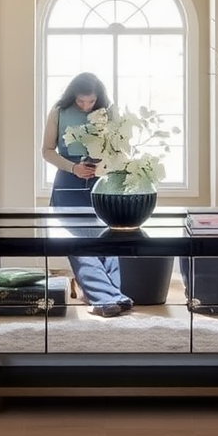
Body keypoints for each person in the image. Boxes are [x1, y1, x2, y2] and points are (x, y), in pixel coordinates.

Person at [42, 72, 134, 318]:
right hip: (68, 182)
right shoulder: (58, 111)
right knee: (79, 243)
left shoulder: (109, 112)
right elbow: (47, 151)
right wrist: (73, 168)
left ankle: (109, 295)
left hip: (101, 182)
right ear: (73, 95)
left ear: (98, 98)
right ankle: (108, 298)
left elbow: (122, 148)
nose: (85, 106)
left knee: (107, 240)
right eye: (81, 101)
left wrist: (104, 162)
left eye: (90, 102)